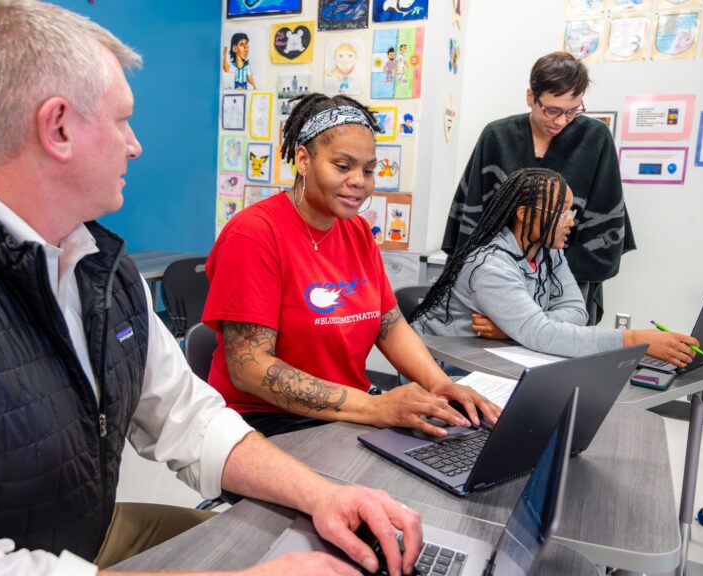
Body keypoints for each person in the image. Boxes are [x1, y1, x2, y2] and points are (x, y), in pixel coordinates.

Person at [0, 2, 423, 575]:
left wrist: (325, 494)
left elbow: (186, 418)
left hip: (83, 539)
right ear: (58, 127)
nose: (137, 145)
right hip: (4, 559)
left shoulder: (102, 268)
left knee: (311, 549)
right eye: (123, 121)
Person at [202, 93, 502, 439]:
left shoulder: (356, 230)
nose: (360, 181)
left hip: (345, 413)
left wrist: (440, 384)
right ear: (303, 159)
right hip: (266, 424)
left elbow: (388, 324)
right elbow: (250, 368)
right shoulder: (254, 234)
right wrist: (375, 407)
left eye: (369, 170)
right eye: (343, 166)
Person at [413, 168, 699, 367]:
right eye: (561, 212)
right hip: (443, 364)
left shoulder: (549, 252)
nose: (570, 222)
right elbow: (543, 334)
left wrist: (516, 330)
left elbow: (578, 311)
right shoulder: (491, 266)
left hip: (491, 354)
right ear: (525, 215)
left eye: (570, 212)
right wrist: (635, 339)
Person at [441, 51, 634, 325]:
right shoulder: (497, 136)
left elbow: (603, 218)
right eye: (552, 110)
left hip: (568, 279)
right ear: (531, 96)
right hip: (499, 279)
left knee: (557, 348)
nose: (561, 121)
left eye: (573, 110)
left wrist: (552, 284)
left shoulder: (595, 139)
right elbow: (474, 218)